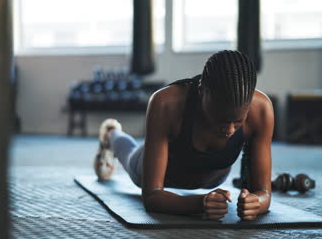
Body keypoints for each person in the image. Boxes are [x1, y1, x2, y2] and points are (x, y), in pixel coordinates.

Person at [94, 50, 274, 221]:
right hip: (166, 175)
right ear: (202, 91)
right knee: (130, 154)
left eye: (237, 122)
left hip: (213, 178)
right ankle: (111, 133)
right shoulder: (166, 103)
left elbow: (264, 193)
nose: (229, 131)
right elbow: (151, 196)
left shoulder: (261, 110)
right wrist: (199, 203)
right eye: (220, 121)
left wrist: (256, 203)